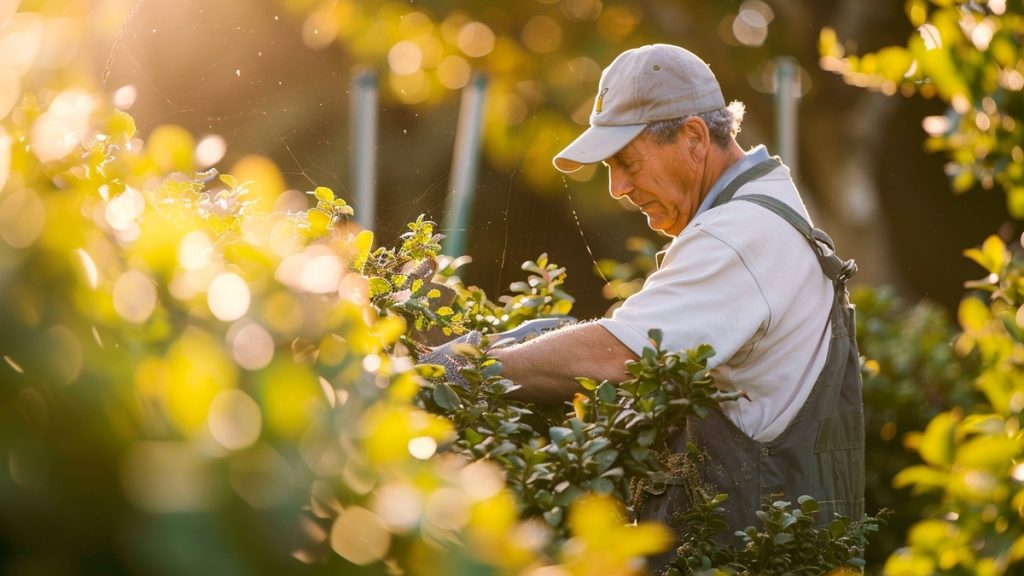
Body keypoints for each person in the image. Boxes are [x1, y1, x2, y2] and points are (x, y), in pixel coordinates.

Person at [430, 43, 864, 569]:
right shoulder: (765, 212)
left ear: (694, 138)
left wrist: (462, 369)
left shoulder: (738, 236)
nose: (618, 188)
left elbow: (618, 355)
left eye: (627, 162)